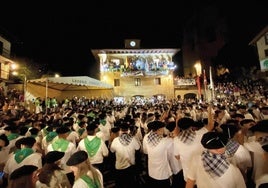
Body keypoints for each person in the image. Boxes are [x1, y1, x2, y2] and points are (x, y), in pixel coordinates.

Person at [110, 120, 141, 188]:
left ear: (120, 130)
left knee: (120, 184)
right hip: (130, 165)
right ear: (128, 130)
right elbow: (138, 148)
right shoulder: (133, 139)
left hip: (119, 166)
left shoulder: (116, 140)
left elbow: (112, 151)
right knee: (130, 183)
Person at [142, 120, 173, 188]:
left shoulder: (146, 137)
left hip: (151, 172)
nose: (163, 131)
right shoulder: (165, 141)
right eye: (162, 129)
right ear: (158, 130)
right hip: (162, 174)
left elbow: (145, 151)